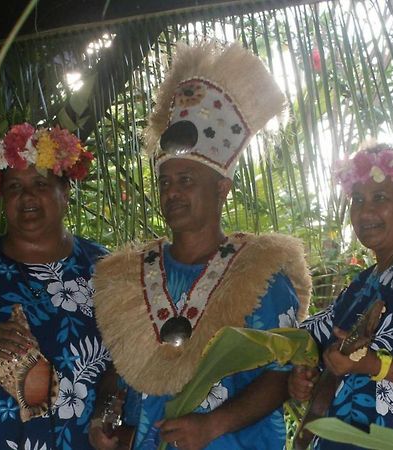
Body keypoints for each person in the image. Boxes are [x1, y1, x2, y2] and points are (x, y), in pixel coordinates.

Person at [90, 41, 312, 450]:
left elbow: (280, 374)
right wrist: (108, 418)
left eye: (187, 181)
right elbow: (118, 369)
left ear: (222, 188)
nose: (172, 192)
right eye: (166, 182)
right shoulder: (128, 275)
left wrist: (212, 426)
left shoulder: (259, 272)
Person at [0, 123, 111, 449]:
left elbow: (130, 362)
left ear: (66, 192)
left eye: (41, 184)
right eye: (15, 186)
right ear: (3, 196)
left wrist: (110, 408)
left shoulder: (107, 271)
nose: (27, 195)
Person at [289, 142, 393, 449]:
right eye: (357, 199)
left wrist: (374, 365)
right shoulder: (361, 285)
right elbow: (305, 339)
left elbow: (367, 364)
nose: (365, 210)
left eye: (380, 197)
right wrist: (302, 374)